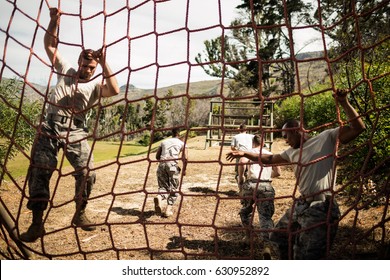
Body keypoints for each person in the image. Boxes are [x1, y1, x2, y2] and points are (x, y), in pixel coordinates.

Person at [226, 89, 365, 259]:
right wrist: (245, 153)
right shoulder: (291, 152)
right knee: (278, 238)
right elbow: (269, 159)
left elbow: (358, 128)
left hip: (322, 206)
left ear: (296, 130)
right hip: (303, 203)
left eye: (286, 136)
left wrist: (344, 102)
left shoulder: (326, 138)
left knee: (307, 255)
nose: (284, 140)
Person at [19, 7, 120, 242]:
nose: (87, 70)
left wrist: (104, 63)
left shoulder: (95, 85)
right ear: (79, 62)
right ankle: (36, 224)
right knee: (41, 169)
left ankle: (80, 213)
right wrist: (54, 21)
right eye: (85, 65)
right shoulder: (67, 69)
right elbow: (49, 45)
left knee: (87, 172)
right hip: (50, 125)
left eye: (91, 68)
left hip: (76, 129)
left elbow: (114, 90)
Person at [237, 134, 281, 241]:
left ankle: (249, 235)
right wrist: (268, 176)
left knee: (245, 212)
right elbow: (278, 172)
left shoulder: (249, 154)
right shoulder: (270, 154)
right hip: (265, 186)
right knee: (265, 216)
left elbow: (242, 161)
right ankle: (267, 243)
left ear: (253, 143)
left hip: (251, 184)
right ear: (263, 143)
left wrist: (241, 178)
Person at [154, 128, 188, 218]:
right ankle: (168, 210)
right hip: (172, 165)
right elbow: (185, 157)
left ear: (171, 133)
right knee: (174, 188)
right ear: (179, 133)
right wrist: (184, 169)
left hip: (161, 165)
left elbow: (157, 156)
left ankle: (160, 197)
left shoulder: (164, 142)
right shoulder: (182, 143)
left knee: (163, 186)